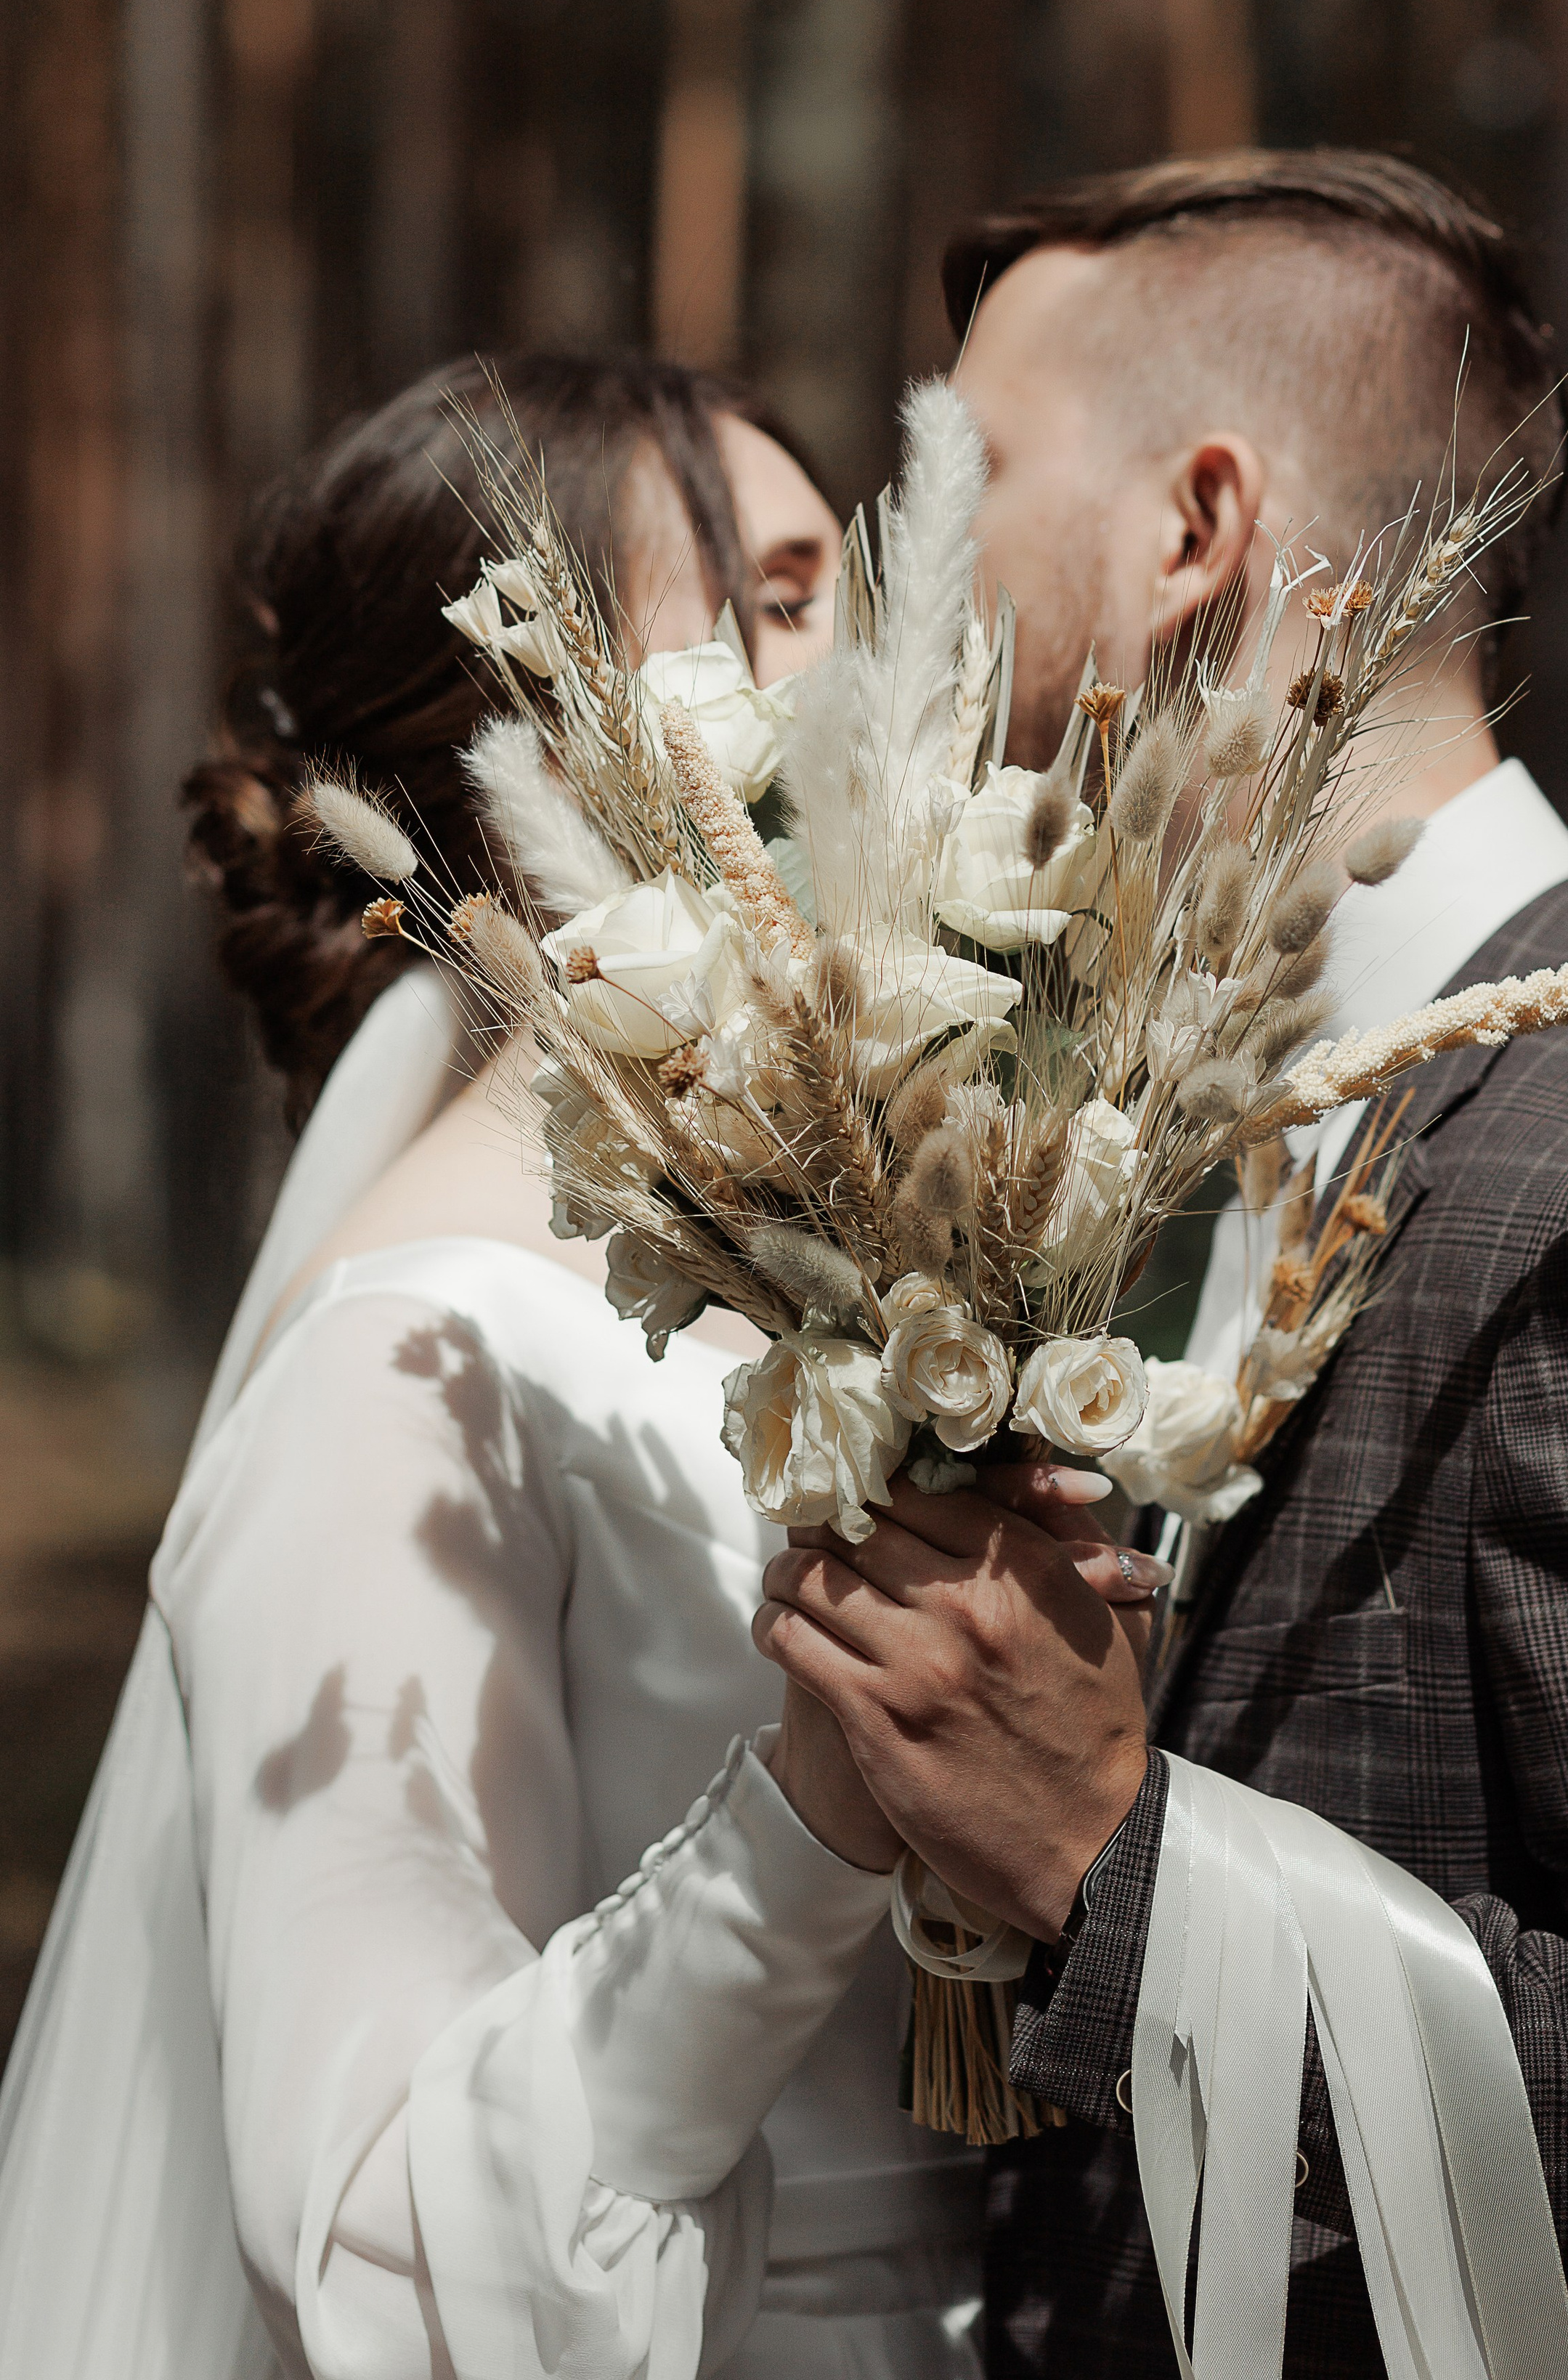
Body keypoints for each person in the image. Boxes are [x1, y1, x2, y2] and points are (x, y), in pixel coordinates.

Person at [751, 153, 1568, 2377]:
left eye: (972, 479)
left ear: (1197, 529)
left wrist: (1115, 1859)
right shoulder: (1273, 1117)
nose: (913, 589)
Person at [0, 349, 1123, 2380]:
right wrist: (816, 1813)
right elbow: (378, 2246)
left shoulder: (804, 1293)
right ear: (546, 712)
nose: (876, 651)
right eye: (787, 595)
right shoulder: (404, 1373)